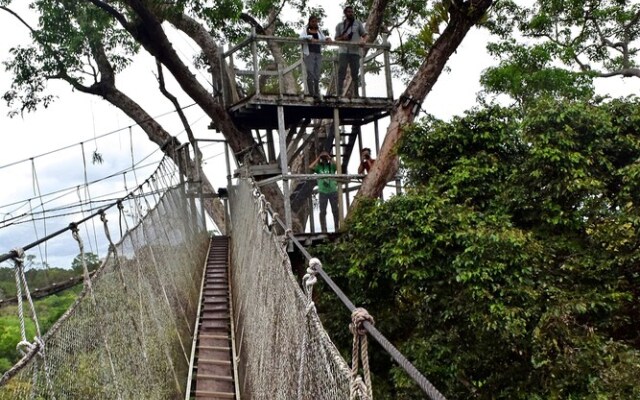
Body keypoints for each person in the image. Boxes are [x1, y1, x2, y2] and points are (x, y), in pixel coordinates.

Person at [335, 6, 368, 97]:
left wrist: (363, 41)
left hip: (355, 52)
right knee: (341, 72)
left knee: (355, 73)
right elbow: (336, 39)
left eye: (352, 12)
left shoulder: (358, 24)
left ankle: (356, 94)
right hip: (343, 51)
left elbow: (365, 35)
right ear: (345, 13)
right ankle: (339, 94)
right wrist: (343, 38)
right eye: (349, 12)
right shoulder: (340, 25)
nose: (351, 13)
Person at [300, 16, 331, 100]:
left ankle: (316, 93)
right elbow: (301, 37)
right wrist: (310, 38)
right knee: (310, 73)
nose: (314, 23)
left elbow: (323, 39)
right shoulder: (306, 30)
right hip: (309, 53)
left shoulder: (319, 30)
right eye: (313, 21)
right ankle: (311, 93)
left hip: (318, 53)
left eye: (316, 21)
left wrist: (327, 39)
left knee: (317, 73)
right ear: (309, 22)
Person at [310, 150, 339, 232]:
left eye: (325, 158)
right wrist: (318, 158)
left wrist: (330, 158)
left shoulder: (331, 166)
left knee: (335, 210)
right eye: (323, 158)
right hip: (323, 191)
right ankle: (323, 228)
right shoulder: (319, 167)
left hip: (332, 190)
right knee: (323, 211)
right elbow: (310, 167)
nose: (324, 159)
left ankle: (336, 227)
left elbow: (338, 166)